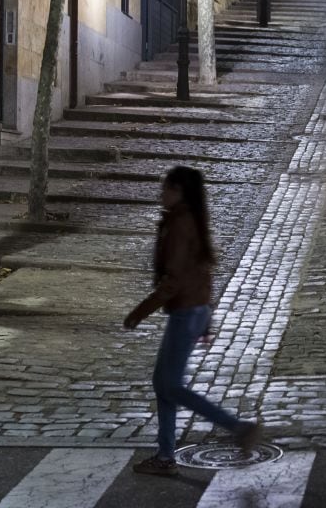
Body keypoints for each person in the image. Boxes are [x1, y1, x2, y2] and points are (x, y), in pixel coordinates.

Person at [124, 166, 261, 477]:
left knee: (170, 385)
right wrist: (206, 317)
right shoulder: (190, 221)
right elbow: (202, 272)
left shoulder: (179, 224)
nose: (162, 194)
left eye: (166, 189)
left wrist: (139, 312)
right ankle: (165, 455)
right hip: (194, 310)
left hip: (185, 313)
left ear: (179, 192)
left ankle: (236, 428)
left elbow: (172, 281)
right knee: (164, 385)